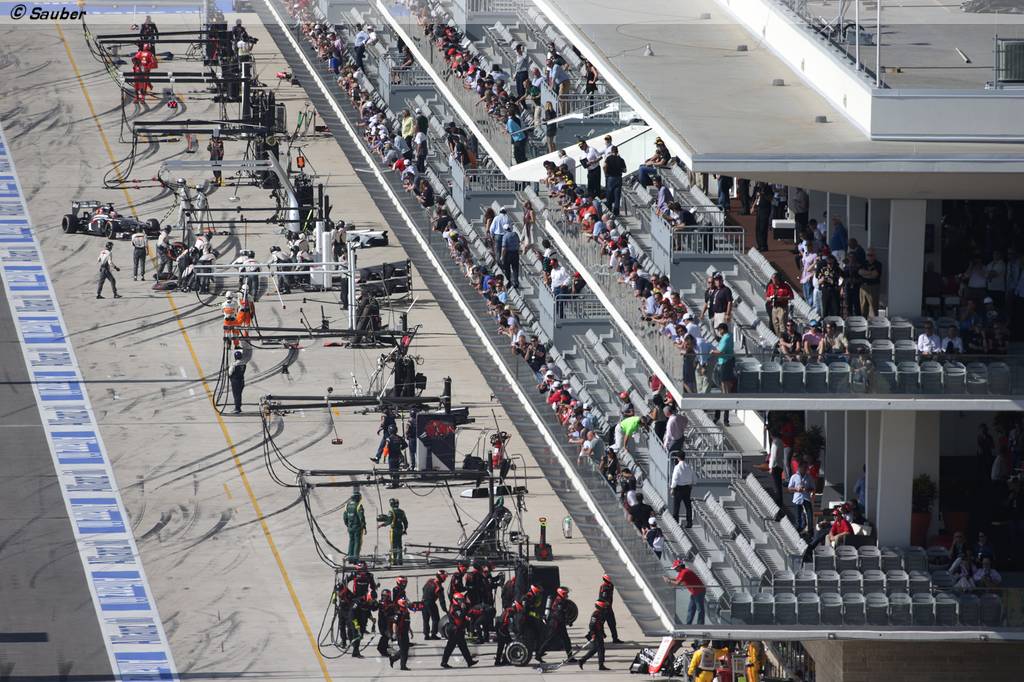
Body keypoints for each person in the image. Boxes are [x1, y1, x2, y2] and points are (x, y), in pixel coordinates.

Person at [440, 593, 478, 668]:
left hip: (458, 630)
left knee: (463, 646)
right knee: (450, 647)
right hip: (455, 630)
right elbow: (460, 617)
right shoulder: (455, 608)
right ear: (456, 600)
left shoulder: (456, 606)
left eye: (462, 600)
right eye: (460, 600)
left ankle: (469, 661)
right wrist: (464, 609)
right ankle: (444, 662)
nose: (462, 602)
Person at [665, 559, 705, 624]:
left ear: (679, 567)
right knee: (691, 609)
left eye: (675, 568)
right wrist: (669, 578)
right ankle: (688, 624)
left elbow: (677, 583)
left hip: (699, 591)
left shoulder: (684, 572)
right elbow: (677, 579)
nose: (675, 569)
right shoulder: (683, 571)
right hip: (694, 592)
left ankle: (700, 624)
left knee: (699, 609)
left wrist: (669, 581)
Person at [710, 323, 735, 426]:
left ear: (722, 329)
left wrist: (711, 351)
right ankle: (720, 418)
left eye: (719, 330)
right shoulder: (728, 336)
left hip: (725, 364)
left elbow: (719, 352)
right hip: (724, 364)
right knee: (723, 393)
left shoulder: (726, 338)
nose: (718, 332)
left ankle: (724, 419)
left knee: (725, 393)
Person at [577, 601, 610, 671]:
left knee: (594, 649)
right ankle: (601, 665)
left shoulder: (601, 614)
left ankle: (582, 660)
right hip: (596, 634)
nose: (605, 608)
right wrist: (593, 634)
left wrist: (603, 633)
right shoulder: (595, 614)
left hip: (599, 633)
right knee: (601, 649)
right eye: (604, 607)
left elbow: (600, 625)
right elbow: (591, 625)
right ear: (600, 607)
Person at [378, 498, 408, 565]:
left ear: (391, 504)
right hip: (400, 530)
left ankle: (394, 561)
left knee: (393, 545)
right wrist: (405, 530)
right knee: (399, 545)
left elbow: (389, 521)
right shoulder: (402, 512)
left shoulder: (391, 512)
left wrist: (381, 525)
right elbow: (405, 522)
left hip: (394, 530)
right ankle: (400, 560)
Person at [670, 452, 696, 527]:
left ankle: (676, 522)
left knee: (676, 506)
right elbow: (694, 477)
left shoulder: (677, 467)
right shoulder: (689, 466)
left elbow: (675, 478)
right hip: (687, 488)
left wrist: (672, 488)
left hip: (678, 488)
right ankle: (689, 522)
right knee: (688, 506)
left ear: (678, 458)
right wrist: (692, 483)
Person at [421, 569, 447, 639]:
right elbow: (442, 600)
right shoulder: (439, 587)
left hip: (423, 601)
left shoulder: (430, 580)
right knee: (435, 619)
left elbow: (423, 588)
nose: (445, 579)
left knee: (425, 619)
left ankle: (426, 635)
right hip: (431, 603)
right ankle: (433, 634)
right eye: (444, 577)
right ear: (441, 577)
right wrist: (445, 609)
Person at [789, 462, 814, 534]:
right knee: (798, 515)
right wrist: (796, 489)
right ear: (799, 468)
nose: (805, 470)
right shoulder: (794, 477)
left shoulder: (809, 477)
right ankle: (798, 528)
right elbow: (789, 488)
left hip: (806, 497)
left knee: (809, 514)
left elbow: (813, 488)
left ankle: (810, 529)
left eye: (806, 468)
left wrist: (807, 489)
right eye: (804, 468)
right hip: (798, 498)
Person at [596, 574, 622, 643]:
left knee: (612, 624)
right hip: (604, 609)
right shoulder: (605, 588)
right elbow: (603, 599)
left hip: (608, 608)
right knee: (600, 624)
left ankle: (615, 638)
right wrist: (605, 606)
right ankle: (598, 638)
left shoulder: (610, 586)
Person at [389, 598, 412, 670]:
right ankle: (403, 666)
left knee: (405, 649)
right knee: (403, 650)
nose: (407, 604)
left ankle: (393, 658)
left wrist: (410, 631)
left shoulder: (406, 612)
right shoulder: (398, 613)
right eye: (405, 603)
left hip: (405, 633)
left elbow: (407, 622)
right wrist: (394, 633)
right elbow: (394, 624)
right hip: (400, 633)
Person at [858, 249, 883, 318]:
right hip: (863, 287)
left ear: (874, 256)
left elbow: (875, 275)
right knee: (863, 309)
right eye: (868, 255)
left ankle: (873, 324)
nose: (869, 257)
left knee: (873, 309)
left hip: (873, 287)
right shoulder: (863, 263)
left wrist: (865, 274)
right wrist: (870, 273)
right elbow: (860, 272)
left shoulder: (878, 264)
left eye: (871, 255)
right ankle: (864, 323)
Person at [603, 146, 627, 217]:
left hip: (611, 178)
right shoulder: (621, 159)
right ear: (617, 151)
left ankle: (609, 210)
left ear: (611, 151)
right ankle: (616, 212)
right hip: (618, 178)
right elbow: (625, 170)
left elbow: (604, 166)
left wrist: (605, 174)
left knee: (609, 195)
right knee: (617, 196)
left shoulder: (608, 158)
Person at [343, 491, 366, 562]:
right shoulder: (358, 506)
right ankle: (356, 558)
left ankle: (350, 557)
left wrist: (348, 525)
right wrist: (364, 526)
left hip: (350, 527)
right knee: (357, 542)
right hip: (357, 528)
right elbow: (361, 518)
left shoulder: (347, 505)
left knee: (351, 541)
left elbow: (345, 517)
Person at [228, 349, 246, 414]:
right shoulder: (243, 363)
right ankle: (239, 407)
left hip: (235, 381)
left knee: (236, 395)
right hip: (241, 381)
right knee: (239, 394)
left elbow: (230, 373)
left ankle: (237, 408)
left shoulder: (234, 364)